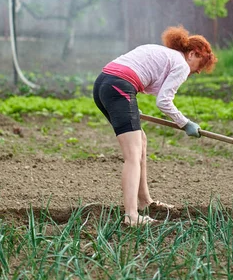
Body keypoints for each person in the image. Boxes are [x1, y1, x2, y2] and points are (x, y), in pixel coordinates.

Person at [92, 26, 217, 226]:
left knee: (141, 140)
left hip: (103, 84)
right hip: (119, 88)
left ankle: (145, 201)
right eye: (199, 65)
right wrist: (185, 123)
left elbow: (146, 80)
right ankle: (132, 216)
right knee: (132, 155)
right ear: (192, 54)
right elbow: (163, 101)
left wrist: (128, 108)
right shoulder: (182, 64)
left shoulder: (164, 54)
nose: (198, 71)